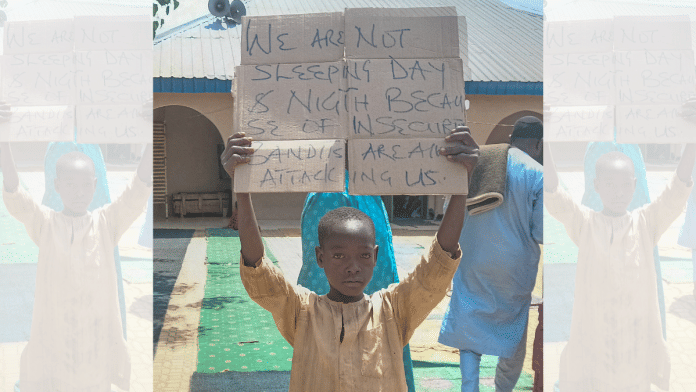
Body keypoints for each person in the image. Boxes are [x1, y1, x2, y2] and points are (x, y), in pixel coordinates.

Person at [220, 126, 479, 391]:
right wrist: (242, 188)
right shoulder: (302, 313)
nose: (352, 267)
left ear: (377, 256)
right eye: (339, 255)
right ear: (319, 257)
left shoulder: (393, 311)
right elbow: (258, 270)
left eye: (363, 255)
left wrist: (461, 184)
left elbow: (437, 265)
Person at [1, 141, 152, 392]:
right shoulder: (45, 225)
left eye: (85, 185)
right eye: (70, 185)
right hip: (54, 343)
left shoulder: (106, 224)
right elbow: (16, 195)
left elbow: (135, 192)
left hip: (95, 347)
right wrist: (3, 141)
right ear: (57, 186)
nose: (79, 193)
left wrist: (149, 143)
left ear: (95, 185)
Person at [545, 142, 696, 391]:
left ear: (635, 185)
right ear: (596, 186)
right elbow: (554, 194)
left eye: (626, 184)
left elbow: (676, 192)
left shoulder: (646, 224)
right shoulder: (585, 224)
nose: (619, 192)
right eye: (610, 185)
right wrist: (547, 139)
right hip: (594, 346)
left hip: (633, 352)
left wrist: (692, 139)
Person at [438, 116, 543, 392]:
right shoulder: (538, 173)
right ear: (538, 144)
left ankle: (469, 388)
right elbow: (541, 233)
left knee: (470, 331)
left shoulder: (476, 163)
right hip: (514, 271)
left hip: (472, 261)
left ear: (511, 140)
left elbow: (449, 205)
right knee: (512, 334)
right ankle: (502, 389)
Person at [298, 171, 416, 391]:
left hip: (364, 186)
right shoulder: (323, 194)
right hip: (328, 190)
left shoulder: (368, 186)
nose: (352, 266)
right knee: (323, 315)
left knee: (379, 315)